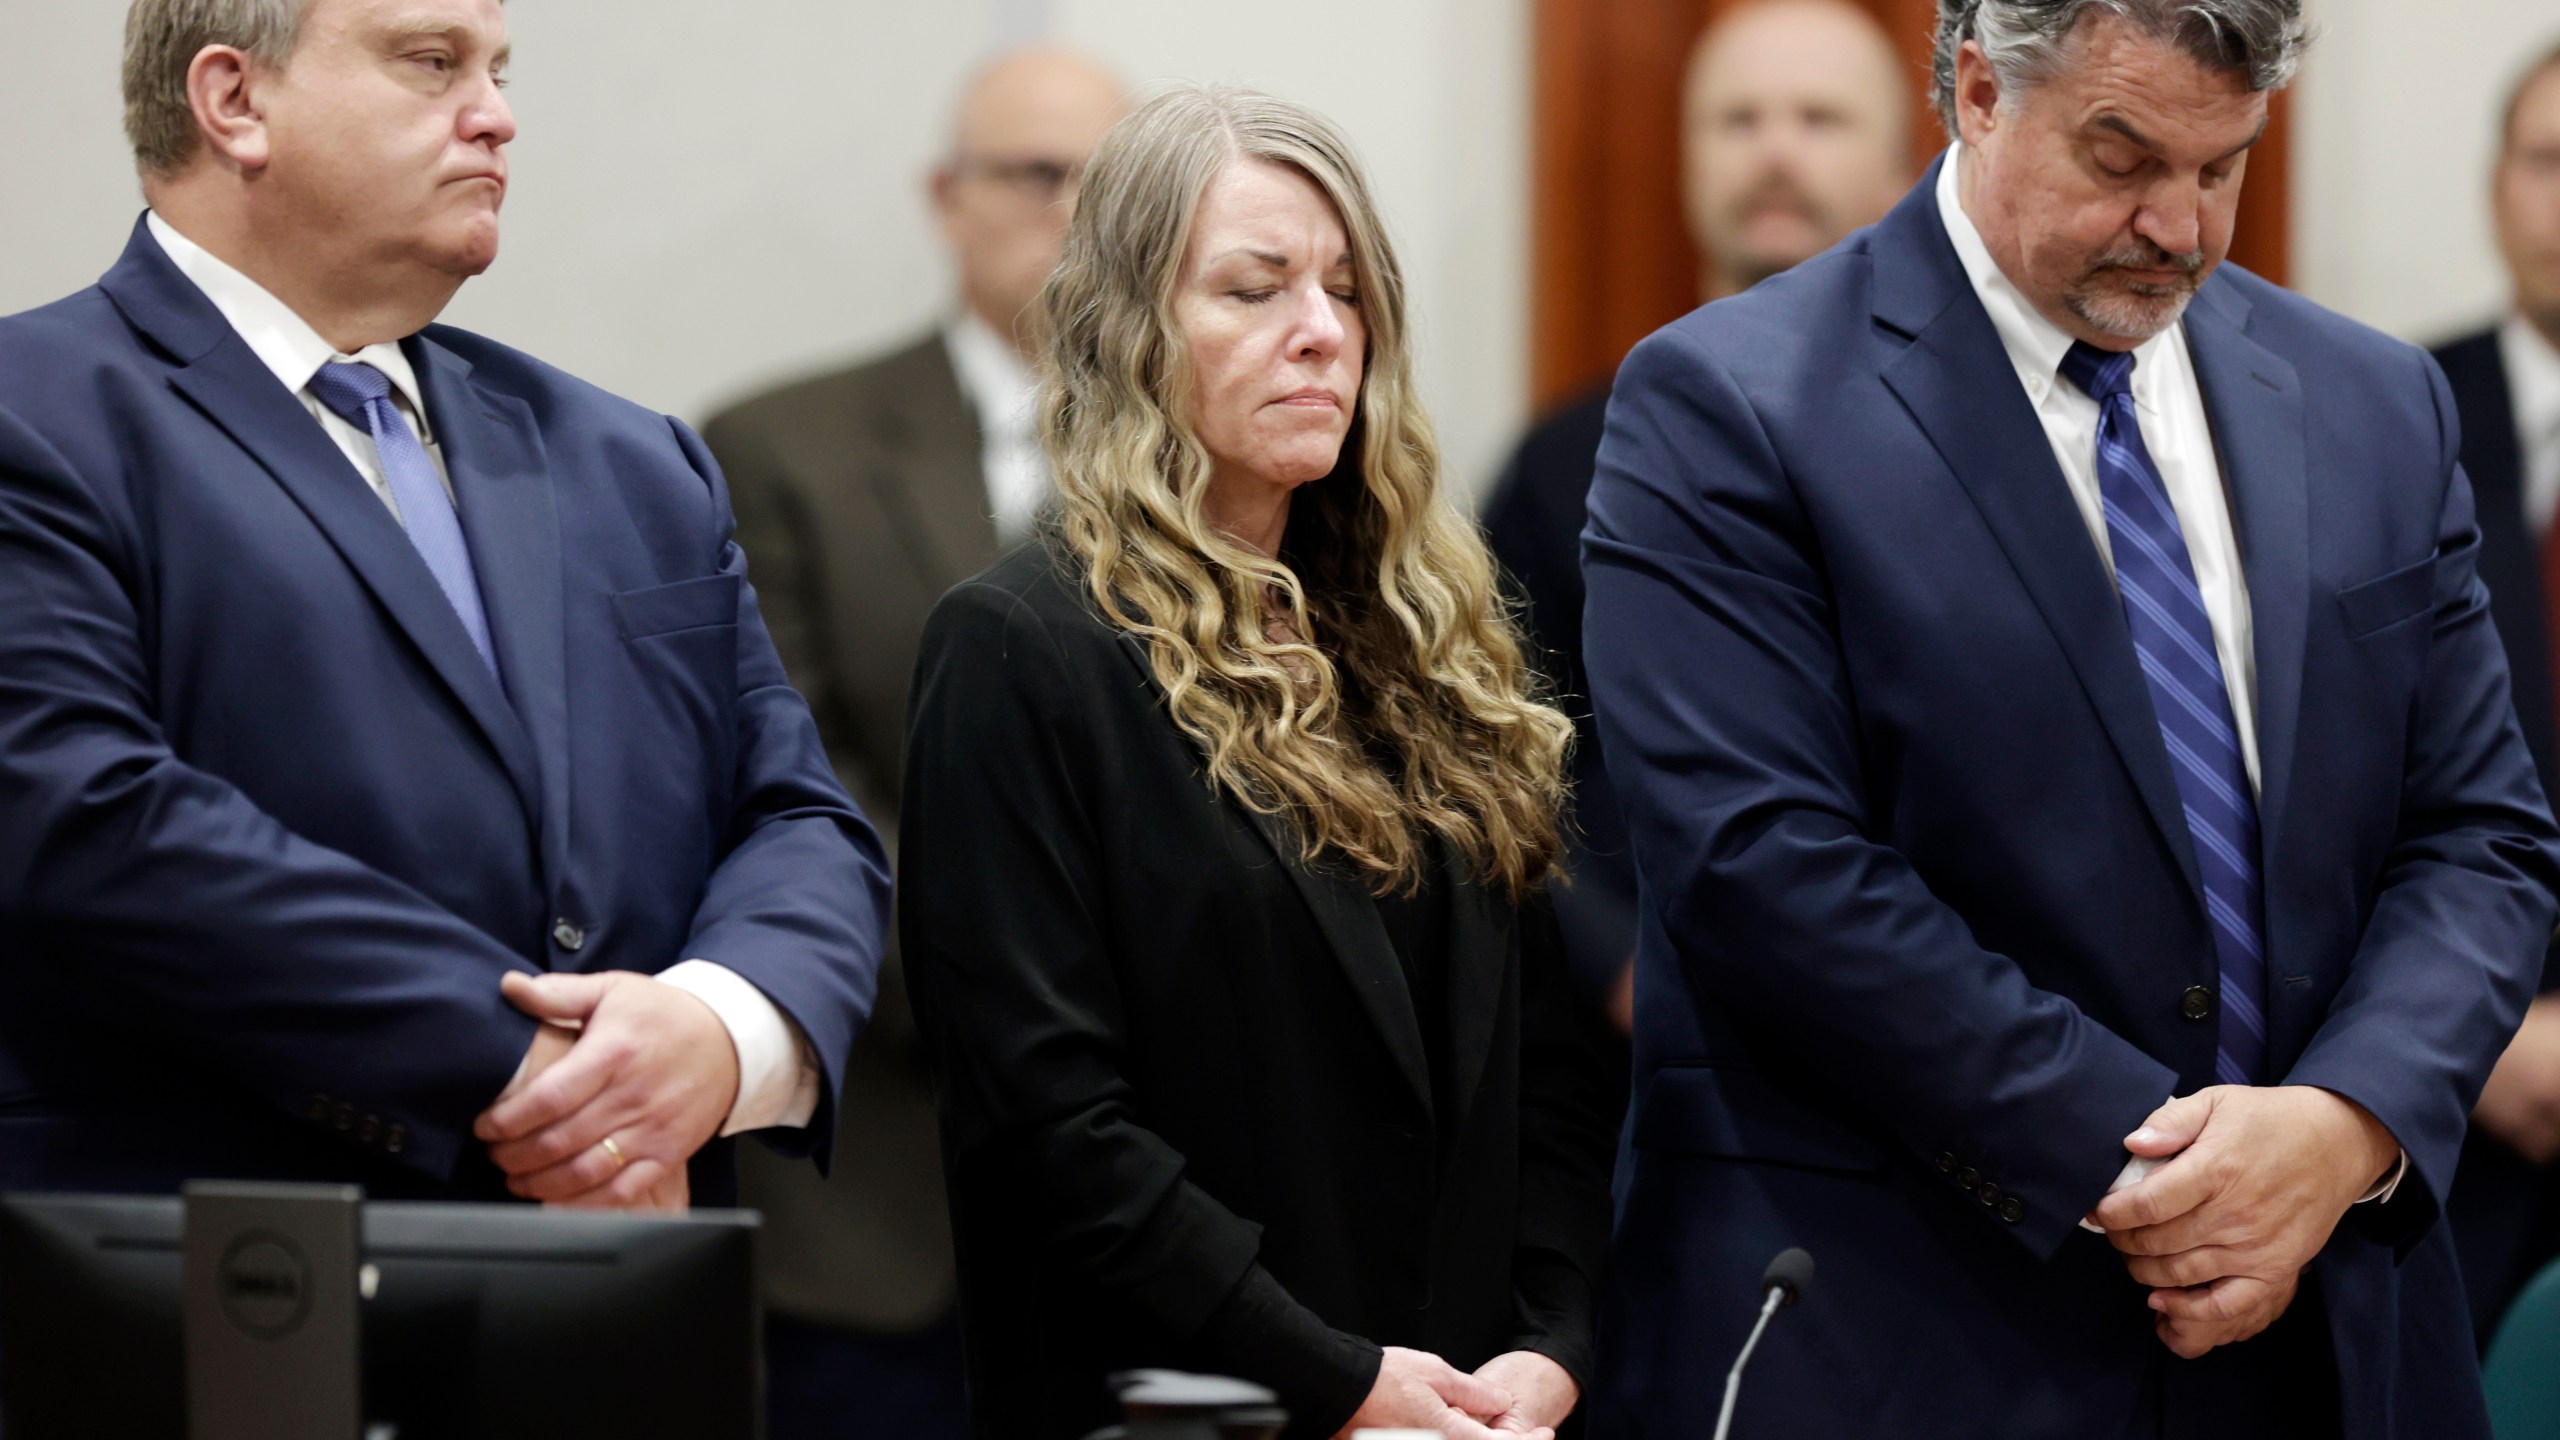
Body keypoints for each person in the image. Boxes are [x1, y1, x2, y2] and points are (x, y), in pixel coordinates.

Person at [1582, 0, 2560, 1432]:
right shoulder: (1727, 403)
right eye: (2123, 156)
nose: (2177, 227)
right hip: (1913, 1323)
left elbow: (2479, 831)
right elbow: (1764, 866)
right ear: (1979, 89)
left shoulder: (2374, 402)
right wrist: (2149, 1164)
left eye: (2221, 166)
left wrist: (2344, 1128)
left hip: (2329, 1329)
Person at [0, 0, 886, 1218]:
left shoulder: (632, 460)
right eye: (431, 63)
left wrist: (718, 1031)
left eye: (499, 69)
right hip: (220, 1277)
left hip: (626, 1296)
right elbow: (81, 817)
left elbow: (799, 818)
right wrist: (535, 1069)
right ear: (234, 101)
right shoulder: (35, 416)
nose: (498, 117)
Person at [899, 85, 1619, 1440]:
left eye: (1346, 293)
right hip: (1195, 1406)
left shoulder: (1425, 651)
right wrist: (1336, 1376)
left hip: (1471, 1409)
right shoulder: (1021, 649)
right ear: (1131, 331)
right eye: (1255, 288)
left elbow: (1552, 1068)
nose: (1320, 333)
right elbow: (1050, 1128)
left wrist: (1554, 1337)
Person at [699, 47, 1125, 1437]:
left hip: (1163, 1219)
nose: (1073, 214)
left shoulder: (1222, 470)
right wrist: (1039, 1010)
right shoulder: (780, 450)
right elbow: (795, 790)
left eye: (1109, 184)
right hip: (877, 1202)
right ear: (948, 199)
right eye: (1035, 175)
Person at [1479, 0, 1912, 1033]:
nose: (1772, 150)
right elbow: (1485, 758)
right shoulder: (1560, 463)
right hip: (1638, 1052)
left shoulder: (1984, 452)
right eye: (1736, 119)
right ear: (1684, 161)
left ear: (1904, 171)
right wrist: (1616, 968)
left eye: (1818, 118)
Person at [2433, 37, 2560, 1348]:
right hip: (2444, 1129)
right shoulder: (2374, 422)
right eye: (2551, 162)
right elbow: (2316, 784)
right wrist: (2480, 1029)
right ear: (2495, 189)